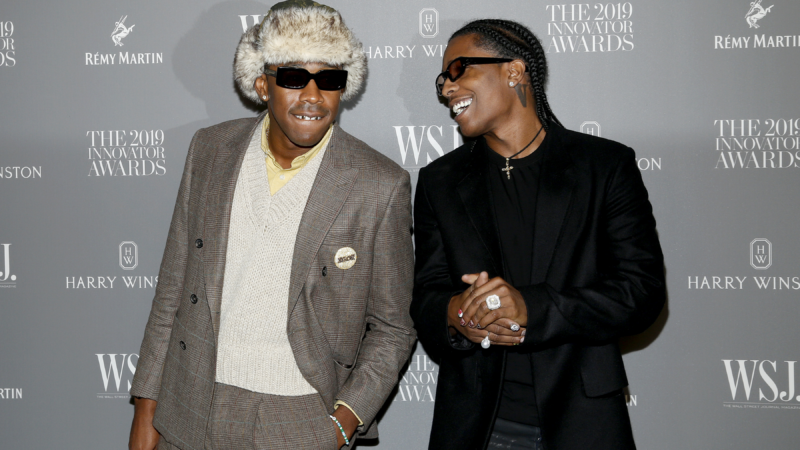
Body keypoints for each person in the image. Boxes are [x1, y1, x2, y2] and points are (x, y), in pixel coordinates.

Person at [128, 2, 415, 449]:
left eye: (330, 79)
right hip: (189, 405)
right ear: (262, 84)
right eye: (294, 78)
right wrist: (147, 410)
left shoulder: (379, 184)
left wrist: (341, 423)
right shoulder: (210, 150)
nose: (313, 96)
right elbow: (173, 289)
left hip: (301, 417)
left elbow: (394, 328)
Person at [411, 19, 665, 450]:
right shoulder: (439, 180)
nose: (446, 89)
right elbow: (426, 299)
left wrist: (532, 306)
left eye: (458, 70)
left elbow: (640, 294)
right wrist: (456, 314)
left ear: (513, 71)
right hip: (477, 428)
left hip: (582, 423)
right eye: (441, 80)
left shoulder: (603, 166)